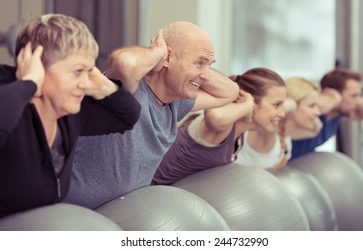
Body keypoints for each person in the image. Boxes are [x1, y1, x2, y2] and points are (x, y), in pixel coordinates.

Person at [64, 21, 240, 209]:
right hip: (74, 214)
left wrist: (199, 70)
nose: (206, 75)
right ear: (168, 58)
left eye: (209, 65)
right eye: (199, 62)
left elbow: (230, 92)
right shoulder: (130, 88)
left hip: (123, 216)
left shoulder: (177, 101)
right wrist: (157, 53)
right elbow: (125, 62)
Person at [0, 14, 141, 218]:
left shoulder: (70, 110)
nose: (85, 83)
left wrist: (104, 86)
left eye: (89, 70)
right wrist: (29, 83)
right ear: (37, 66)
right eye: (77, 72)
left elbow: (128, 117)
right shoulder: (9, 98)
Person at [152, 67, 287, 185]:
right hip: (149, 196)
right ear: (251, 100)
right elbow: (216, 118)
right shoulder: (223, 127)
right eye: (276, 105)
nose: (282, 114)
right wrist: (247, 106)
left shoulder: (238, 134)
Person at [236, 77, 322, 169]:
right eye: (312, 106)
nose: (318, 112)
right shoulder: (267, 130)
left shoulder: (285, 135)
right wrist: (291, 103)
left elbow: (317, 129)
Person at [291, 67, 363, 159]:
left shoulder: (336, 117)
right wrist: (333, 98)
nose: (357, 101)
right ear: (333, 94)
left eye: (358, 95)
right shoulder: (312, 113)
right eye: (353, 96)